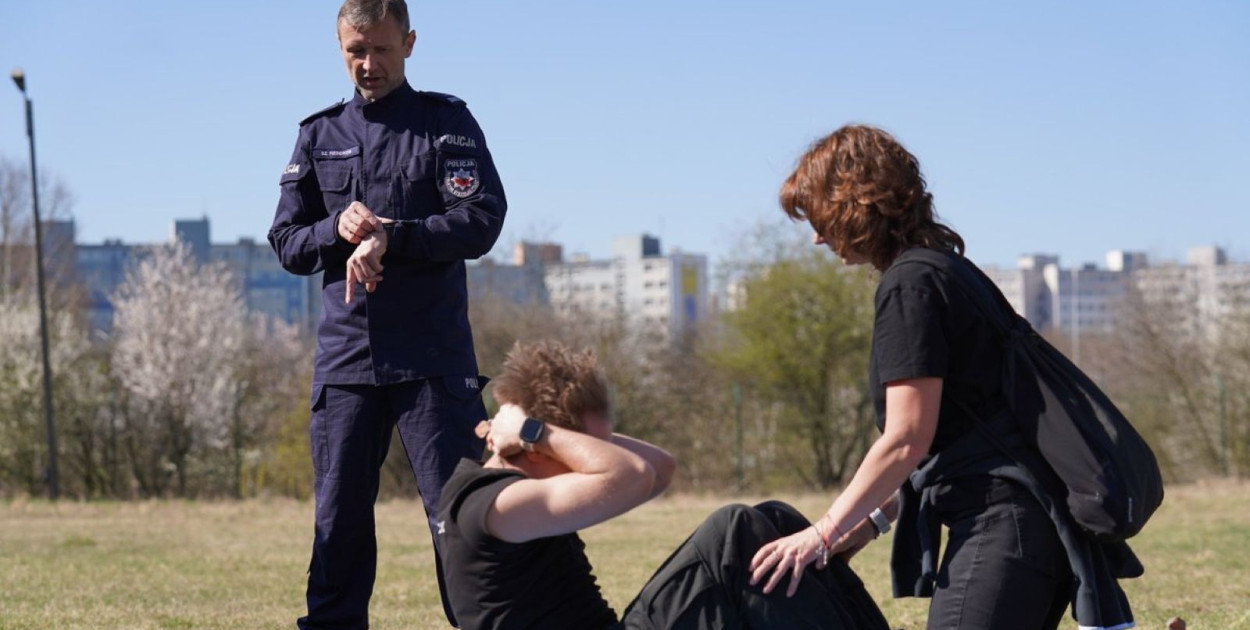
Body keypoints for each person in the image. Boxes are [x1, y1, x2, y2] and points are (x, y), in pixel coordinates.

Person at [749, 124, 1139, 630]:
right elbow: (958, 438)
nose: (817, 236)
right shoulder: (948, 271)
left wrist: (821, 534)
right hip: (1034, 520)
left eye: (818, 216)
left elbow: (906, 439)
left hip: (1004, 522)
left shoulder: (909, 287)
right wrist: (866, 525)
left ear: (854, 203)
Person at [267, 0, 506, 627]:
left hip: (432, 361)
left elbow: (480, 221)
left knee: (461, 516)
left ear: (409, 43)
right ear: (340, 48)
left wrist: (393, 235)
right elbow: (287, 242)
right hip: (346, 363)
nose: (368, 63)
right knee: (338, 522)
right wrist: (336, 228)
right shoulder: (318, 134)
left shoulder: (445, 124)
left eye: (381, 48)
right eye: (356, 51)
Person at [438, 340, 890, 630]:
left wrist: (554, 434)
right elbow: (633, 475)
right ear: (536, 450)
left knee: (775, 520)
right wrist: (537, 431)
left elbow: (660, 468)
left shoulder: (510, 487)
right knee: (734, 531)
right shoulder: (494, 505)